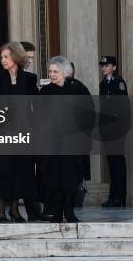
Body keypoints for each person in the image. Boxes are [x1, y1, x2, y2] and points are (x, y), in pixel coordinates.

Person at [0, 42, 38, 223]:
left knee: (21, 171)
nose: (3, 60)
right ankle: (0, 210)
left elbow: (36, 107)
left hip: (23, 133)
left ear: (16, 57)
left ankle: (15, 210)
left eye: (6, 57)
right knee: (3, 170)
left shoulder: (30, 79)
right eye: (1, 57)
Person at [40, 56, 94, 222]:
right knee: (53, 179)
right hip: (53, 144)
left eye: (55, 71)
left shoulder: (78, 88)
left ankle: (69, 211)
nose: (52, 74)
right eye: (50, 71)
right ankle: (56, 213)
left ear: (65, 73)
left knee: (71, 178)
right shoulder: (46, 91)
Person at [99, 55, 130, 208]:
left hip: (117, 130)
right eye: (103, 65)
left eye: (107, 65)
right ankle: (113, 197)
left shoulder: (119, 83)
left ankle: (120, 197)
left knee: (118, 162)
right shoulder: (103, 83)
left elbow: (124, 108)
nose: (104, 68)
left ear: (114, 67)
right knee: (111, 163)